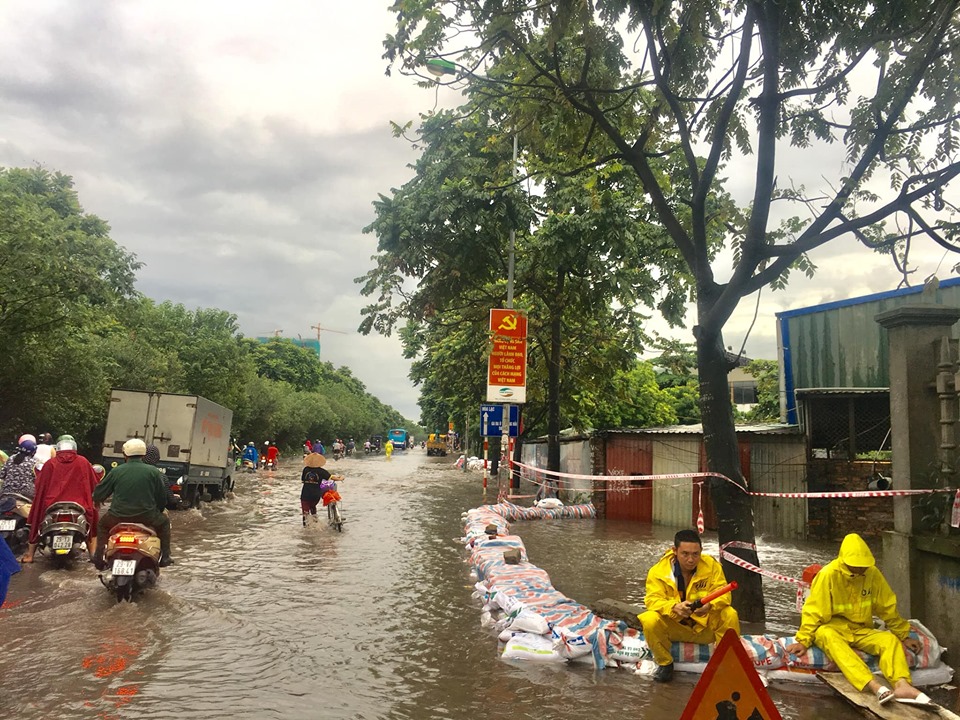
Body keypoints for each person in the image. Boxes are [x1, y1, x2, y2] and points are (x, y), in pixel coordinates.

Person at [784, 533, 927, 705]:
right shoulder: (828, 574)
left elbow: (886, 607)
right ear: (845, 561)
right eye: (855, 566)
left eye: (863, 567)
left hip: (860, 629)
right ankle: (874, 685)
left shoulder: (872, 574)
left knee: (889, 640)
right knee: (827, 635)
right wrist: (803, 640)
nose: (860, 570)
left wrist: (903, 634)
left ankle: (901, 684)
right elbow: (814, 611)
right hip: (832, 628)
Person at [638, 529, 741, 682]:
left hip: (704, 627)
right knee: (649, 619)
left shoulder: (712, 565)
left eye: (695, 554)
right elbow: (652, 601)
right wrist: (673, 607)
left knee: (730, 614)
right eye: (685, 554)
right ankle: (665, 663)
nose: (691, 560)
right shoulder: (658, 572)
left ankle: (726, 663)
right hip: (676, 627)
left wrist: (709, 606)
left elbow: (725, 595)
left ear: (701, 551)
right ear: (674, 551)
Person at [93, 438, 174, 568]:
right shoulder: (154, 472)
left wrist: (98, 500)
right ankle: (165, 557)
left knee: (102, 525)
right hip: (147, 517)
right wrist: (157, 511)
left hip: (116, 517)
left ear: (125, 454)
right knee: (164, 523)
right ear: (143, 454)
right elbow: (161, 499)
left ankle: (98, 557)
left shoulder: (117, 471)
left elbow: (99, 494)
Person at [21, 434, 99, 563]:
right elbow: (93, 483)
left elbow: (40, 486)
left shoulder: (50, 463)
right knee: (92, 523)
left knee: (37, 522)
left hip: (51, 505)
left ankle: (30, 555)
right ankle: (93, 555)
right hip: (80, 506)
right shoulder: (83, 462)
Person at [300, 453, 343, 526]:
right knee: (313, 508)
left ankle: (306, 528)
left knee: (305, 512)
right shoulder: (321, 471)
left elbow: (302, 480)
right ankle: (315, 524)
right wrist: (341, 478)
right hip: (315, 495)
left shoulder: (306, 469)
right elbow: (332, 477)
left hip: (305, 494)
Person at [0, 434, 39, 499]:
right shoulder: (34, 462)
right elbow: (38, 479)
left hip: (6, 492)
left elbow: (2, 475)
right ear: (33, 452)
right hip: (26, 494)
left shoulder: (11, 458)